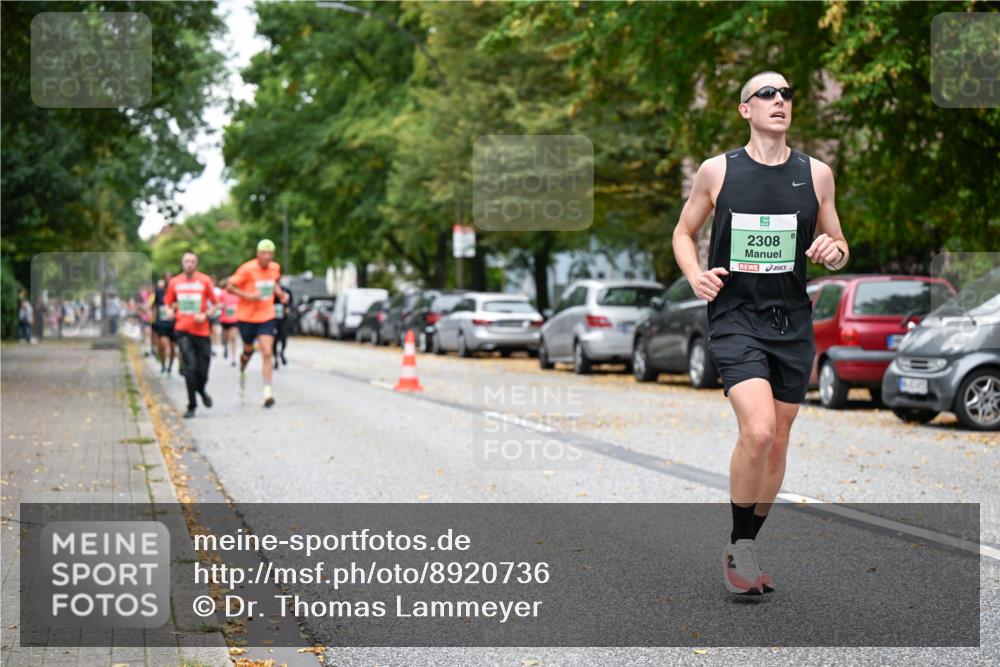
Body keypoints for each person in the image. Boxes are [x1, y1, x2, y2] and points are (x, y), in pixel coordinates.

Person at [672, 71, 849, 596]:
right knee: (760, 430)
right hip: (735, 317)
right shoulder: (717, 171)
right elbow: (684, 233)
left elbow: (838, 242)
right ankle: (742, 546)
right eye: (766, 94)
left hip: (792, 320)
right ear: (745, 110)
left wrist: (833, 252)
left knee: (780, 438)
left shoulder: (816, 174)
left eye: (787, 94)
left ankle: (742, 541)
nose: (779, 101)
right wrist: (694, 274)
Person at [227, 239, 289, 407]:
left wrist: (281, 294)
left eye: (270, 254)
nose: (267, 257)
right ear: (257, 254)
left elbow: (273, 284)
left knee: (267, 351)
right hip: (246, 317)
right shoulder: (247, 269)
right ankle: (242, 368)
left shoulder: (275, 268)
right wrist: (249, 296)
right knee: (248, 351)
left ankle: (267, 392)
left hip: (266, 315)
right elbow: (229, 286)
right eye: (264, 253)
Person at [164, 251, 218, 418]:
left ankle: (201, 389)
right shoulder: (174, 282)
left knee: (203, 370)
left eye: (192, 261)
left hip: (202, 332)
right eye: (187, 261)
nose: (189, 264)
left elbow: (215, 304)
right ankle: (192, 405)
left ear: (196, 264)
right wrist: (169, 312)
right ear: (182, 263)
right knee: (190, 367)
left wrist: (206, 314)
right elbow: (167, 303)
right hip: (183, 330)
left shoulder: (205, 280)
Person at [150, 274, 177, 374]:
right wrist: (153, 317)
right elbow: (154, 305)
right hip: (161, 323)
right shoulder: (159, 292)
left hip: (173, 323)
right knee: (163, 344)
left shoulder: (176, 293)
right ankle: (163, 365)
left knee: (173, 347)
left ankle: (170, 366)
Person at [218, 277, 240, 366]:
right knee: (226, 338)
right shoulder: (222, 293)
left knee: (233, 338)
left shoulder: (238, 293)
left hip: (235, 319)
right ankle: (226, 347)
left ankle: (234, 358)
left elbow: (242, 304)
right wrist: (223, 305)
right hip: (225, 319)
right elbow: (218, 304)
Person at [272, 282, 293, 369]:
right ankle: (275, 360)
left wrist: (288, 308)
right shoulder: (270, 291)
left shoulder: (286, 290)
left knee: (284, 337)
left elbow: (291, 302)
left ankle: (282, 353)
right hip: (273, 319)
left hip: (283, 319)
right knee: (274, 340)